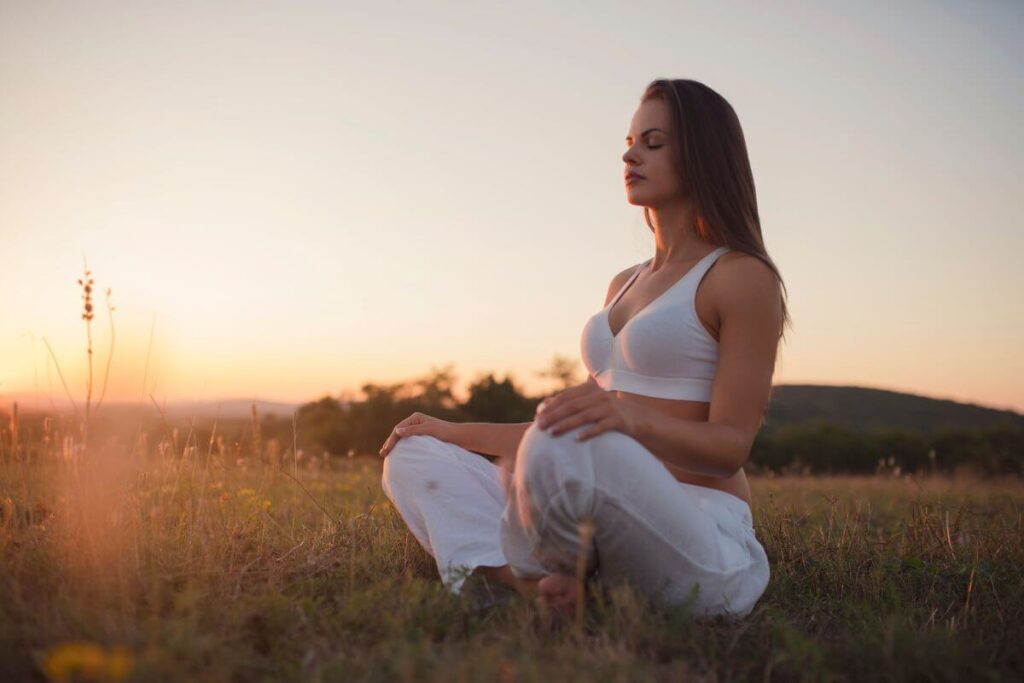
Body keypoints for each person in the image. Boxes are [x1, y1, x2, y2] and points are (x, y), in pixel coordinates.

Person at [378, 78, 791, 620]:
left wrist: (627, 419)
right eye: (629, 140)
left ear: (702, 154)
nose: (630, 153)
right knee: (413, 456)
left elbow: (730, 447)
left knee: (566, 446)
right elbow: (569, 432)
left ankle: (542, 571)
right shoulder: (623, 283)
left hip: (699, 540)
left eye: (653, 142)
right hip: (594, 510)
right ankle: (534, 585)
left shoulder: (739, 276)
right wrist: (450, 433)